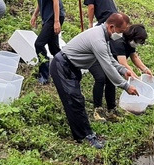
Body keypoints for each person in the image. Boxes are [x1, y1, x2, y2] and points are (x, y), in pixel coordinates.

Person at [50, 13, 140, 149]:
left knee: (76, 100)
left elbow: (110, 58)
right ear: (111, 27)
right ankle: (85, 137)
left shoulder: (104, 35)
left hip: (71, 67)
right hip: (62, 66)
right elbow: (108, 67)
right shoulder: (98, 39)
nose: (120, 35)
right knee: (75, 101)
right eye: (120, 32)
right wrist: (126, 86)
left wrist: (123, 70)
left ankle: (86, 134)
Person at [91, 24, 152, 123]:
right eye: (138, 41)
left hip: (111, 64)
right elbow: (123, 63)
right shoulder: (119, 43)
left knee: (112, 82)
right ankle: (97, 109)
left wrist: (145, 69)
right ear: (132, 37)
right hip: (97, 60)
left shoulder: (129, 44)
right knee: (101, 79)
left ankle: (111, 110)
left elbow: (134, 57)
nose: (138, 44)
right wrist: (136, 78)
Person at [21, 0, 65, 84]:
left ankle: (44, 75)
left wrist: (56, 21)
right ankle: (65, 70)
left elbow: (55, 0)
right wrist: (34, 15)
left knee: (39, 44)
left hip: (54, 17)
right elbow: (41, 1)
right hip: (47, 17)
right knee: (54, 48)